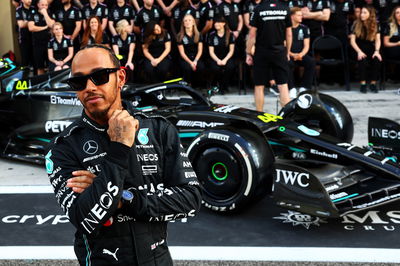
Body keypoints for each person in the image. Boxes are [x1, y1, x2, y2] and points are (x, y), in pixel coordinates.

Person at [45, 44, 202, 265]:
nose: (89, 87)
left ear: (120, 77)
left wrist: (124, 199)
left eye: (99, 76)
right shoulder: (63, 147)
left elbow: (191, 199)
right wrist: (118, 148)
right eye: (79, 81)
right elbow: (86, 220)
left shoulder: (159, 130)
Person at [246, 0, 292, 111]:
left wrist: (248, 52)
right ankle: (287, 118)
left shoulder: (258, 8)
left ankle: (259, 116)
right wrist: (288, 52)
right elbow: (289, 34)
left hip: (262, 51)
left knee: (259, 86)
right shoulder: (285, 8)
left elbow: (252, 34)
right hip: (279, 51)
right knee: (283, 85)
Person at [350, 5, 382, 93]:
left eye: (364, 13)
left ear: (370, 14)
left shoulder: (376, 24)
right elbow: (352, 41)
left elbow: (378, 40)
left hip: (370, 47)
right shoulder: (356, 23)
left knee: (376, 59)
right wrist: (359, 52)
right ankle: (363, 84)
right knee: (362, 59)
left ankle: (373, 83)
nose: (362, 15)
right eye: (361, 12)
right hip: (357, 47)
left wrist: (377, 51)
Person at [289, 7, 316, 95]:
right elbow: (283, 46)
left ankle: (304, 87)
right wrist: (292, 55)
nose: (301, 17)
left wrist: (301, 54)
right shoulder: (285, 28)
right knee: (286, 62)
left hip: (301, 54)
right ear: (292, 16)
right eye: (299, 15)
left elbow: (306, 45)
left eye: (301, 15)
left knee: (311, 62)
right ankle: (291, 88)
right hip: (289, 54)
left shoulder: (304, 28)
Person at [208, 16, 236, 94]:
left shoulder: (230, 35)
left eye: (218, 22)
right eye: (215, 22)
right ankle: (217, 84)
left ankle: (224, 86)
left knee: (230, 67)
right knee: (215, 68)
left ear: (223, 24)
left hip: (227, 57)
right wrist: (218, 60)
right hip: (215, 58)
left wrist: (225, 60)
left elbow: (231, 51)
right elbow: (211, 51)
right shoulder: (212, 35)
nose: (216, 24)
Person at [28, 0, 55, 75]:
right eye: (42, 5)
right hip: (37, 44)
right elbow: (31, 28)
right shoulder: (33, 13)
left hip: (49, 44)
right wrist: (44, 28)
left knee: (51, 66)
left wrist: (45, 14)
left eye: (46, 5)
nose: (44, 7)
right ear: (38, 5)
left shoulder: (50, 13)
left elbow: (52, 25)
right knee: (40, 67)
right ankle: (41, 85)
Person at [177, 14, 205, 85]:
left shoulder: (198, 35)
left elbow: (200, 50)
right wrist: (190, 62)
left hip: (196, 58)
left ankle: (197, 85)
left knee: (201, 67)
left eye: (190, 20)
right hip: (185, 58)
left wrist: (195, 61)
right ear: (183, 24)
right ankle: (188, 84)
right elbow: (182, 53)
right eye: (185, 21)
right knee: (187, 68)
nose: (187, 22)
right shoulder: (180, 36)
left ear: (193, 22)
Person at [16, 0, 34, 69]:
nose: (30, 0)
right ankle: (24, 78)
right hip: (24, 39)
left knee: (35, 62)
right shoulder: (19, 9)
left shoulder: (34, 8)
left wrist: (27, 22)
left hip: (34, 38)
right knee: (25, 61)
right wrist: (31, 22)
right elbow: (21, 24)